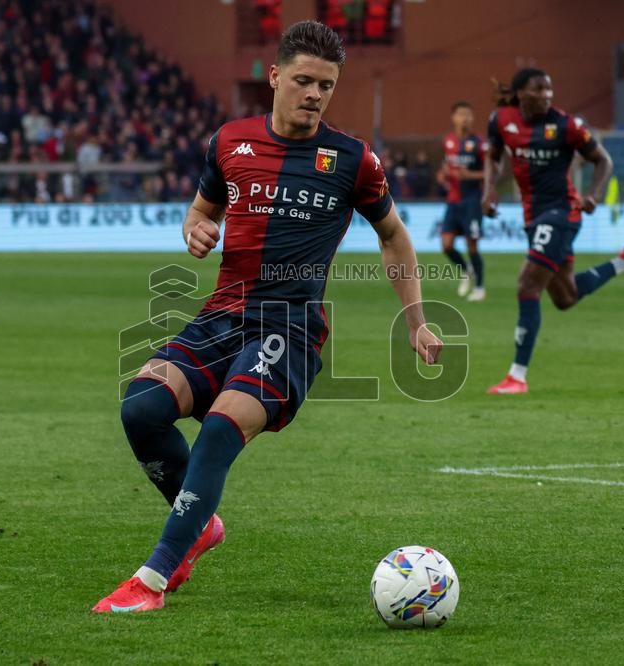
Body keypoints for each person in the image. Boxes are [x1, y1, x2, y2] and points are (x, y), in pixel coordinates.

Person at [93, 20, 442, 614]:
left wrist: (416, 320)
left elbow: (393, 236)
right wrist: (194, 229)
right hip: (221, 317)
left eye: (326, 86)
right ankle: (199, 525)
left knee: (222, 428)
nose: (314, 94)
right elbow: (201, 210)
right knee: (141, 409)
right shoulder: (229, 141)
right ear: (275, 76)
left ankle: (153, 577)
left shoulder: (353, 160)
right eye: (303, 80)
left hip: (291, 329)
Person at [481, 68, 624, 395]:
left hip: (563, 212)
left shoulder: (567, 125)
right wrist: (489, 190)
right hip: (533, 217)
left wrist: (593, 195)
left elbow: (603, 160)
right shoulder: (500, 120)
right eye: (539, 89)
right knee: (565, 297)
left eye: (549, 89)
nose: (547, 95)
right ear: (521, 93)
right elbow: (492, 157)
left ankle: (517, 377)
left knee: (527, 283)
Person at [437, 101, 487, 301]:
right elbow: (446, 166)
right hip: (453, 201)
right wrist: (442, 175)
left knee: (472, 246)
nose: (465, 118)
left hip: (472, 201)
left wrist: (471, 175)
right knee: (446, 245)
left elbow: (492, 173)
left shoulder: (480, 143)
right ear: (453, 118)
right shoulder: (448, 141)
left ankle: (480, 288)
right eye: (461, 114)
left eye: (469, 114)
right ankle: (467, 270)